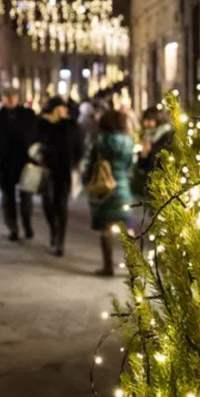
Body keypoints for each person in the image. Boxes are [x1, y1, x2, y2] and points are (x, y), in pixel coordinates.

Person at [83, 109, 135, 276]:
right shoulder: (128, 141)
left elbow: (90, 163)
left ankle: (108, 266)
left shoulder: (99, 141)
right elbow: (129, 164)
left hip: (104, 188)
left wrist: (86, 180)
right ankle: (134, 265)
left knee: (106, 228)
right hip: (122, 186)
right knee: (128, 227)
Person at [0, 88, 38, 242]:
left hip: (25, 161)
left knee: (26, 196)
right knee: (8, 198)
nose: (10, 100)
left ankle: (27, 224)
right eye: (6, 97)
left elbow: (35, 137)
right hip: (6, 161)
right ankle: (13, 228)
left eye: (12, 97)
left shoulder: (28, 115)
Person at [34, 96, 83, 256]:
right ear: (55, 109)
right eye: (62, 108)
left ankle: (60, 240)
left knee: (61, 205)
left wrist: (76, 162)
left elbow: (78, 146)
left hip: (64, 170)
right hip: (47, 169)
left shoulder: (71, 125)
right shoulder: (43, 124)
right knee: (47, 203)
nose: (65, 110)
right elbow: (36, 143)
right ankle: (53, 229)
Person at [137, 107, 174, 183]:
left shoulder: (167, 135)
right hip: (150, 179)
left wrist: (151, 150)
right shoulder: (147, 135)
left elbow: (165, 157)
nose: (146, 123)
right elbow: (142, 165)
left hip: (164, 179)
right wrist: (143, 154)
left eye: (150, 120)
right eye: (145, 120)